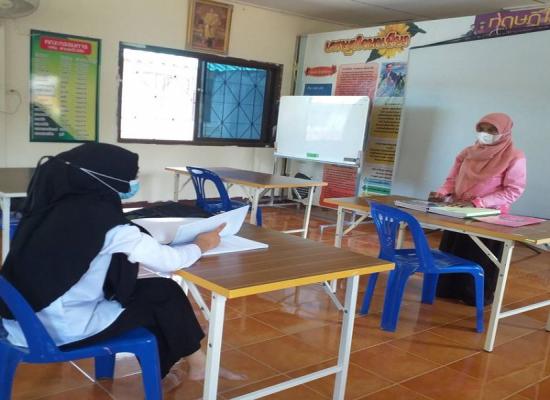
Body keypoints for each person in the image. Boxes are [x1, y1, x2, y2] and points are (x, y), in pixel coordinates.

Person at [0, 143, 244, 393]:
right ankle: (185, 366)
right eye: (131, 176)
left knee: (161, 292)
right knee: (162, 302)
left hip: (19, 321)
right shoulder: (104, 221)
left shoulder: (50, 206)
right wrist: (202, 244)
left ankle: (194, 362)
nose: (134, 182)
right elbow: (169, 261)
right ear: (108, 179)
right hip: (58, 330)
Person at [428, 113, 526, 306]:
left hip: (489, 217)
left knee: (479, 256)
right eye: (482, 129)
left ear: (505, 132)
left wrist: (478, 203)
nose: (485, 134)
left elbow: (514, 190)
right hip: (458, 211)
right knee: (452, 252)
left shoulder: (515, 156)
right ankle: (447, 289)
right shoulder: (468, 153)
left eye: (492, 130)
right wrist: (442, 193)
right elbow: (452, 180)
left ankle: (474, 295)